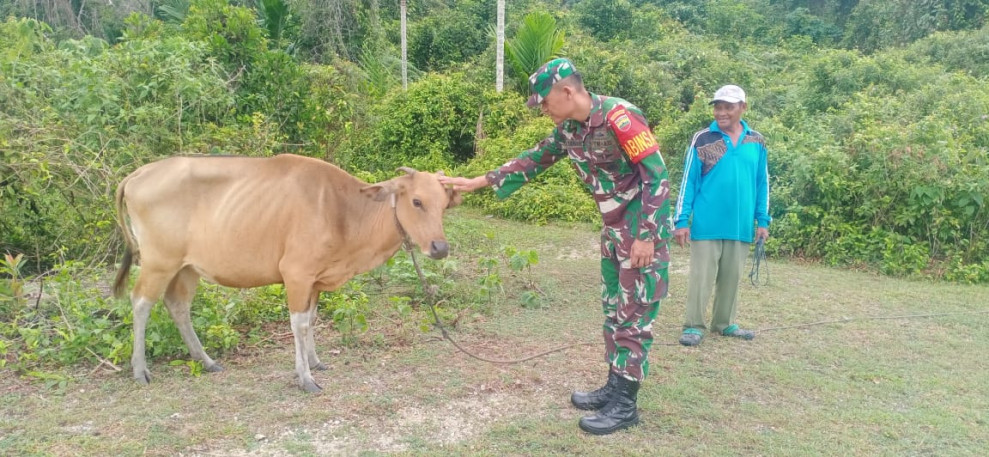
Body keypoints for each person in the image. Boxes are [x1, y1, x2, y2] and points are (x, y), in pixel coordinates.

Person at [439, 58, 672, 435]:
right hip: (613, 233)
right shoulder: (570, 130)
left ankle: (626, 405)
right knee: (614, 311)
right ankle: (615, 387)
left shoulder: (620, 117)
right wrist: (477, 181)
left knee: (634, 317)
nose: (543, 109)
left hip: (639, 234)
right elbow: (535, 159)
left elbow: (657, 176)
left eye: (544, 101)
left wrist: (647, 235)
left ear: (567, 90)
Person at [674, 84, 770, 347]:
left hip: (740, 225)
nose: (721, 112)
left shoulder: (756, 141)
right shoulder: (703, 138)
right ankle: (693, 325)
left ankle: (724, 323)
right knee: (701, 278)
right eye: (718, 107)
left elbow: (762, 183)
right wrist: (681, 221)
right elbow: (688, 182)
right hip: (707, 223)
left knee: (731, 278)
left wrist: (763, 220)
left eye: (728, 107)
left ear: (743, 108)